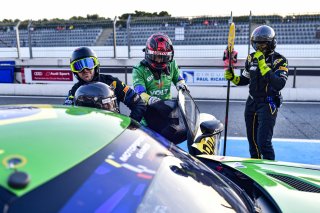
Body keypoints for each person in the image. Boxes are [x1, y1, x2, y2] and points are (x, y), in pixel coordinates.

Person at [224, 25, 289, 160]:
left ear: (271, 43)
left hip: (268, 103)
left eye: (263, 44)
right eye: (257, 44)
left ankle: (270, 172)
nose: (260, 47)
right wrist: (233, 78)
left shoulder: (280, 60)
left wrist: (263, 65)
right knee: (252, 143)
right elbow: (245, 79)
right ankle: (256, 171)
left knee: (263, 143)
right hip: (251, 102)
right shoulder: (250, 58)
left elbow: (279, 84)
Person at [64, 46, 146, 122]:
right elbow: (66, 115)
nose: (85, 69)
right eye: (78, 66)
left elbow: (139, 103)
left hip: (112, 129)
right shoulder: (74, 91)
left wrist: (129, 125)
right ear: (74, 71)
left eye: (88, 63)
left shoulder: (113, 83)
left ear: (96, 65)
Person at [132, 32, 188, 106]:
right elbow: (140, 92)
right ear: (148, 54)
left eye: (163, 57)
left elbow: (178, 78)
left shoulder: (172, 64)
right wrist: (150, 100)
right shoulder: (139, 69)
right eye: (156, 56)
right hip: (147, 109)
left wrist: (181, 84)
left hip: (167, 107)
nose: (159, 61)